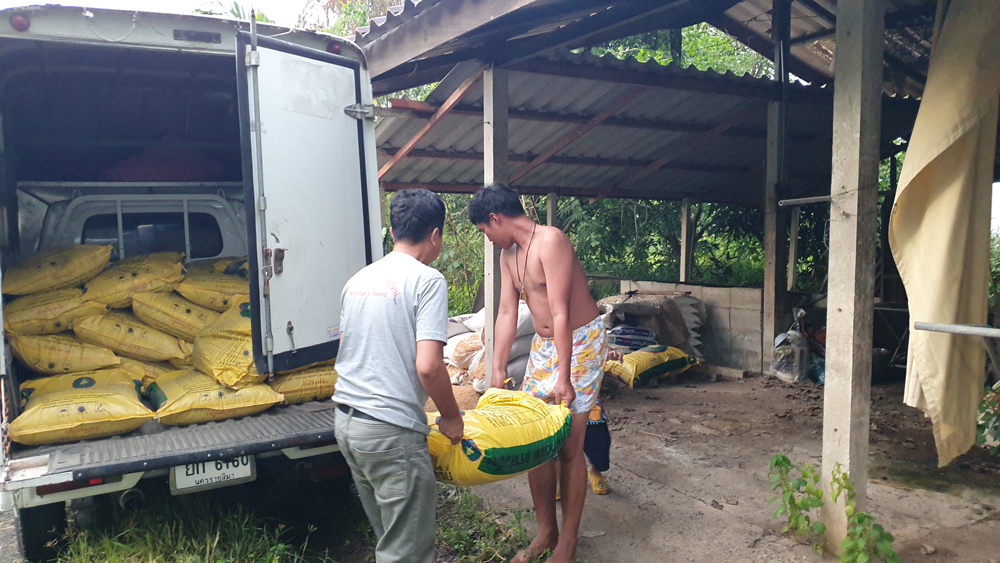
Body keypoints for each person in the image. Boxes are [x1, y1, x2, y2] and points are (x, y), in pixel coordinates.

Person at [469, 184, 608, 563]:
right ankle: (547, 533)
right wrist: (496, 369)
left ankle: (569, 541)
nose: (487, 237)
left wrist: (564, 376)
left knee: (568, 444)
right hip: (544, 347)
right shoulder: (508, 255)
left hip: (580, 343)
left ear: (496, 219)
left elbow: (561, 312)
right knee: (537, 441)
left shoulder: (551, 241)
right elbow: (505, 314)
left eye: (484, 229)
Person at [333, 189, 464, 563]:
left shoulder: (357, 280)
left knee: (391, 537)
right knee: (406, 550)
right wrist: (452, 417)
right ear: (436, 235)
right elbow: (429, 365)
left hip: (347, 423)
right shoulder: (427, 281)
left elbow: (347, 346)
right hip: (389, 432)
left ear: (392, 230)